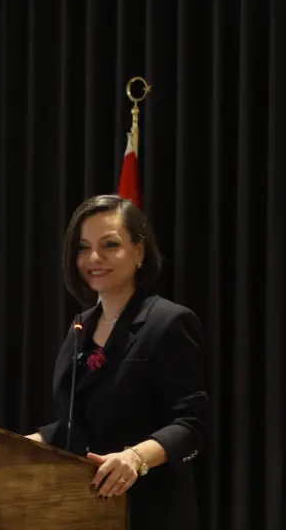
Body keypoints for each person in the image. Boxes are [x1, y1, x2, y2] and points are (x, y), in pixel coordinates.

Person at [26, 194, 208, 530]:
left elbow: (190, 424)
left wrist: (135, 458)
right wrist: (9, 447)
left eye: (110, 245)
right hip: (83, 509)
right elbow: (73, 424)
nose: (94, 258)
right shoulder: (81, 326)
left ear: (139, 251)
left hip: (148, 511)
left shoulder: (169, 322)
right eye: (83, 248)